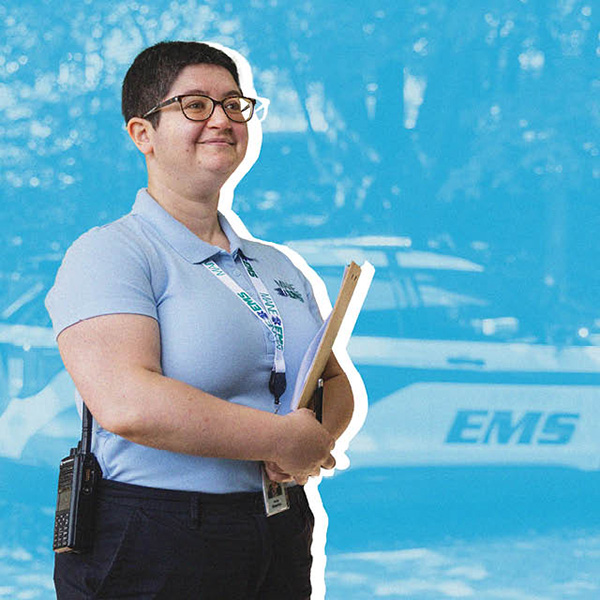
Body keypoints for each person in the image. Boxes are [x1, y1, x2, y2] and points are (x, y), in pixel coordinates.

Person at [46, 40, 354, 599]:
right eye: (196, 105)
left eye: (235, 104)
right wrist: (282, 439)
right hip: (158, 537)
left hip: (279, 525)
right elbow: (128, 403)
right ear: (143, 133)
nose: (222, 119)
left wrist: (314, 439)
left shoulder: (276, 264)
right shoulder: (111, 253)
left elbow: (333, 382)